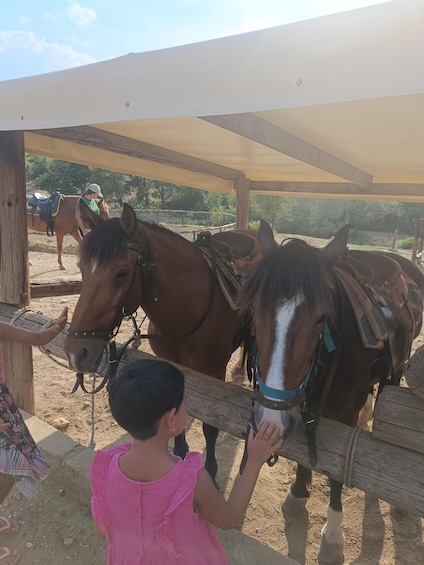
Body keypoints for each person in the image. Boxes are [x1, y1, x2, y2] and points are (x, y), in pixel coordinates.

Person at [90, 358, 282, 565]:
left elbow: (101, 531)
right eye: (184, 405)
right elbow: (230, 517)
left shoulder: (107, 467)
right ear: (171, 418)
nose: (187, 411)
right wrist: (254, 461)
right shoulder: (191, 481)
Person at [0, 306, 68, 565]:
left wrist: (56, 328)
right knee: (6, 469)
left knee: (11, 466)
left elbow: (37, 339)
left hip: (4, 410)